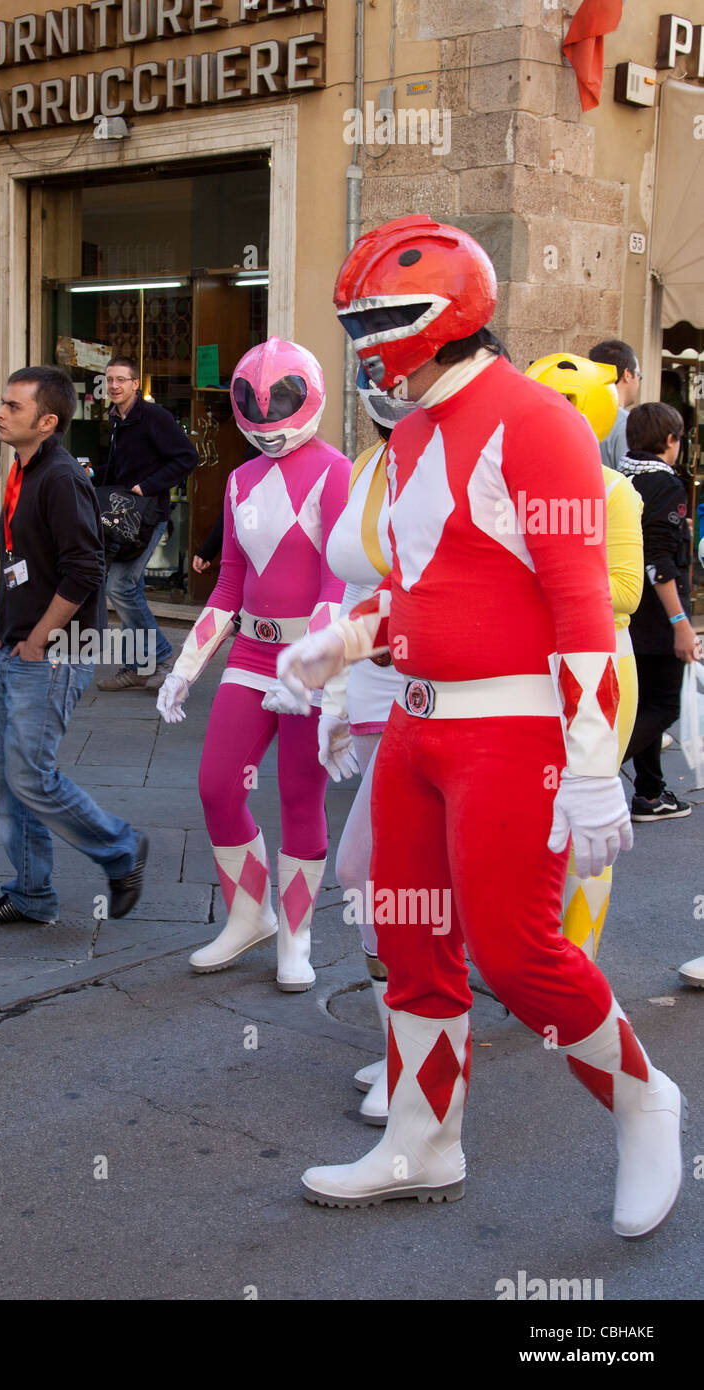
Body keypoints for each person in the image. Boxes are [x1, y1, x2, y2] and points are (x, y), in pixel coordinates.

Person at [280, 214, 682, 1238]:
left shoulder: (531, 420)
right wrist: (344, 648)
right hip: (416, 730)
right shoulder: (413, 426)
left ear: (433, 317)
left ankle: (646, 1103)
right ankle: (423, 1137)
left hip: (511, 734)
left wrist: (593, 767)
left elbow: (580, 603)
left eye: (375, 319)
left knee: (518, 954)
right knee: (410, 939)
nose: (365, 341)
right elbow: (431, 587)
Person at [156, 337, 351, 991]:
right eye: (257, 415)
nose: (270, 431)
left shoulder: (335, 472)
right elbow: (228, 588)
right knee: (218, 787)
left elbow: (338, 582)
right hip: (251, 652)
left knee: (302, 797)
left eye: (281, 412)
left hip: (311, 662)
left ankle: (295, 936)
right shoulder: (239, 480)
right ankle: (250, 914)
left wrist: (311, 662)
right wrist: (186, 666)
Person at [0, 365, 148, 927]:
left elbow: (84, 571)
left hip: (52, 654)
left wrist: (38, 639)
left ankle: (121, 849)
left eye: (13, 407)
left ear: (47, 422)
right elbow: (24, 560)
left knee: (30, 777)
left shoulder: (60, 478)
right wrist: (6, 624)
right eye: (1, 403)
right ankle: (30, 894)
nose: (0, 413)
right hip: (17, 646)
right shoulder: (24, 468)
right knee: (10, 779)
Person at [524, 353, 644, 959]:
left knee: (585, 827)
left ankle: (578, 964)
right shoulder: (509, 487)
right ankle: (539, 957)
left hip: (601, 668)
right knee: (536, 822)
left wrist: (559, 581)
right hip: (526, 671)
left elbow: (626, 590)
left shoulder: (614, 490)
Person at [325, 366, 414, 1122]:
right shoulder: (371, 460)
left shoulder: (451, 467)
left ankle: (414, 1060)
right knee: (378, 880)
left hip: (434, 692)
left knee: (373, 874)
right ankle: (406, 1049)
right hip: (373, 688)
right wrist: (331, 694)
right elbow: (349, 585)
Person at [616, 401, 702, 820]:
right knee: (663, 705)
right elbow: (659, 562)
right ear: (671, 440)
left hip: (627, 613)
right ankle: (600, 766)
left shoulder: (619, 475)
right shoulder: (664, 486)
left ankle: (650, 792)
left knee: (642, 700)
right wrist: (680, 624)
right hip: (655, 616)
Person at [95, 356, 198, 691]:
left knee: (120, 587)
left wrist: (147, 486)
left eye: (121, 380)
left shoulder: (153, 417)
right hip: (123, 516)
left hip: (148, 515)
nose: (114, 386)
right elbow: (118, 469)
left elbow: (187, 457)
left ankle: (163, 655)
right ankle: (136, 667)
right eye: (109, 380)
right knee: (130, 589)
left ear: (135, 383)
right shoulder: (115, 419)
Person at [589, 339, 643, 470]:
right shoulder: (628, 423)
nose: (639, 382)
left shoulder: (579, 414)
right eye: (639, 376)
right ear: (628, 374)